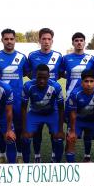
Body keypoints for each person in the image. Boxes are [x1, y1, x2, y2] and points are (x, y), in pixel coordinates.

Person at [0, 28, 29, 163]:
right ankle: (2, 155)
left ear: (15, 40)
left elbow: (25, 73)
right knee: (3, 128)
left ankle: (19, 155)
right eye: (6, 39)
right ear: (2, 40)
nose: (9, 41)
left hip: (17, 99)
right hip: (0, 99)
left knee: (18, 128)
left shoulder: (22, 57)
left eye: (11, 39)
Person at [27, 28, 64, 163]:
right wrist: (38, 82)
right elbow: (28, 72)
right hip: (37, 98)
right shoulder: (31, 56)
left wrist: (50, 84)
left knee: (54, 133)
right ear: (39, 40)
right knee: (36, 132)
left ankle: (54, 155)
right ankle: (37, 155)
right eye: (44, 39)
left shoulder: (59, 56)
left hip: (52, 99)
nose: (46, 41)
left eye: (49, 39)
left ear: (52, 41)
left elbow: (61, 73)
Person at [61, 32, 94, 162]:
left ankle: (87, 156)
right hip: (71, 98)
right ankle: (69, 156)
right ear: (73, 43)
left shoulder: (91, 59)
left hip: (88, 98)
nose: (79, 43)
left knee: (87, 129)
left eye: (81, 40)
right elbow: (61, 73)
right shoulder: (66, 59)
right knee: (71, 129)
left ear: (84, 42)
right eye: (76, 40)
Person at [21, 64, 65, 163]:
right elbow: (23, 108)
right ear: (34, 76)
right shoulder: (28, 86)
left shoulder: (56, 86)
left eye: (44, 78)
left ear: (49, 77)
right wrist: (24, 130)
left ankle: (56, 160)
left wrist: (61, 130)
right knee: (25, 138)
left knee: (58, 138)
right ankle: (33, 159)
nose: (41, 80)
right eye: (39, 77)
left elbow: (61, 108)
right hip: (34, 113)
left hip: (51, 114)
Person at [65, 69, 94, 163]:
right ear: (81, 82)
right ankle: (71, 167)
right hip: (79, 120)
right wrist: (72, 131)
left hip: (93, 120)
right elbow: (73, 114)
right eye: (86, 81)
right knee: (70, 139)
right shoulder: (75, 94)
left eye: (91, 81)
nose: (89, 84)